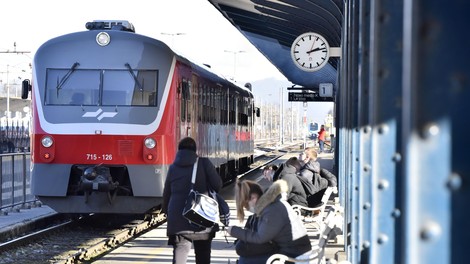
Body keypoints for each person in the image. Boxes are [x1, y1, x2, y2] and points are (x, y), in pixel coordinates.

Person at [162, 137, 222, 264]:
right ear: (195, 150)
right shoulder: (204, 163)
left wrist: (166, 212)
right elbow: (217, 185)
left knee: (180, 255)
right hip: (202, 218)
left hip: (178, 219)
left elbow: (167, 193)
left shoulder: (173, 167)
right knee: (203, 256)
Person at [228, 179, 312, 264]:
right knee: (245, 255)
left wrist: (235, 231)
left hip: (296, 255)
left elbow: (260, 238)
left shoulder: (272, 210)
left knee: (244, 261)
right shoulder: (272, 205)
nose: (246, 208)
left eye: (245, 205)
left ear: (253, 198)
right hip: (294, 250)